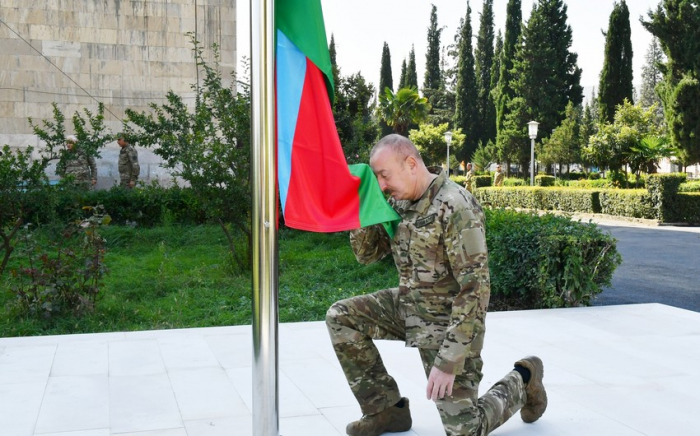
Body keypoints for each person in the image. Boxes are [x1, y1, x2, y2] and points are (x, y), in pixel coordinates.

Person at [326, 134, 546, 436]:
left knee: (464, 430)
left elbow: (476, 288)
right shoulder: (397, 201)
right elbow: (366, 255)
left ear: (411, 164)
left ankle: (524, 378)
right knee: (341, 316)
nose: (381, 184)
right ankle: (386, 410)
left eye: (384, 175)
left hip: (449, 324)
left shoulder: (456, 206)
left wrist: (448, 361)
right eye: (376, 177)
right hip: (409, 306)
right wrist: (362, 208)